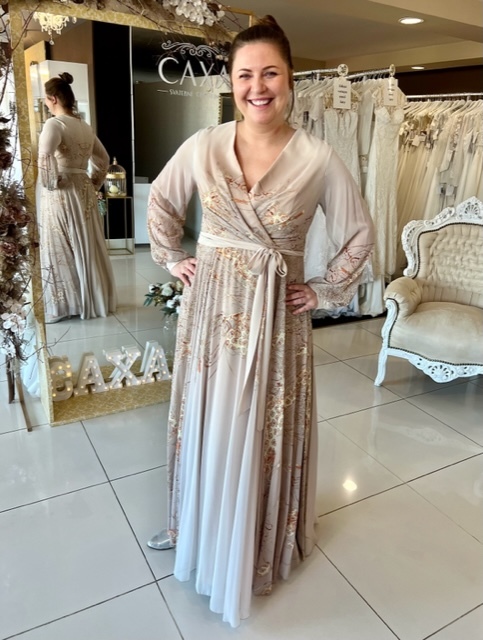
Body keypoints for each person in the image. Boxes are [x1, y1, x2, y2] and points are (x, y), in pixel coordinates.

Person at [147, 16, 374, 627]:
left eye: (270, 73)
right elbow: (162, 200)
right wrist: (174, 258)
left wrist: (323, 289)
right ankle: (196, 525)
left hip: (276, 317)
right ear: (231, 80)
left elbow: (358, 234)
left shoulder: (318, 158)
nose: (258, 87)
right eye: (245, 74)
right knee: (210, 414)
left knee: (261, 423)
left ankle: (257, 541)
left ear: (290, 78)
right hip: (212, 310)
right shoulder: (203, 145)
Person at [37, 72, 117, 323]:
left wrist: (50, 182)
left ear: (53, 99)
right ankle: (89, 297)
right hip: (83, 188)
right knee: (85, 241)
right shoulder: (84, 126)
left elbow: (44, 156)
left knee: (59, 242)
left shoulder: (54, 124)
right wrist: (93, 182)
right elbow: (103, 159)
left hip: (62, 191)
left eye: (45, 99)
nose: (45, 104)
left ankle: (63, 306)